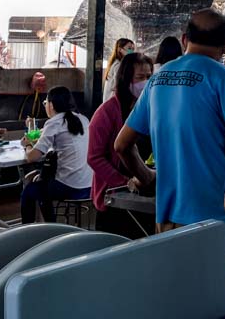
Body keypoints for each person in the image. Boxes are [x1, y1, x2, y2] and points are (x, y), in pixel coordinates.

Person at [115, 9, 225, 230]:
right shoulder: (224, 79)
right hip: (215, 218)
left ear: (184, 39)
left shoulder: (157, 78)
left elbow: (121, 145)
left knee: (173, 266)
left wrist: (147, 177)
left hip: (167, 218)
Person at [88, 52, 155, 235]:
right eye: (140, 77)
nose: (146, 82)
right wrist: (125, 182)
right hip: (114, 197)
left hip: (144, 193)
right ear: (126, 80)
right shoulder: (106, 113)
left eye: (149, 77)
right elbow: (94, 157)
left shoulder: (149, 109)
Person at [20, 86, 93, 223]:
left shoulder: (54, 123)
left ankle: (43, 227)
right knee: (39, 183)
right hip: (89, 185)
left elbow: (32, 157)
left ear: (51, 104)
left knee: (30, 191)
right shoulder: (83, 119)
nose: (45, 106)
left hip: (69, 187)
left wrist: (28, 145)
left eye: (45, 103)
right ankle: (49, 225)